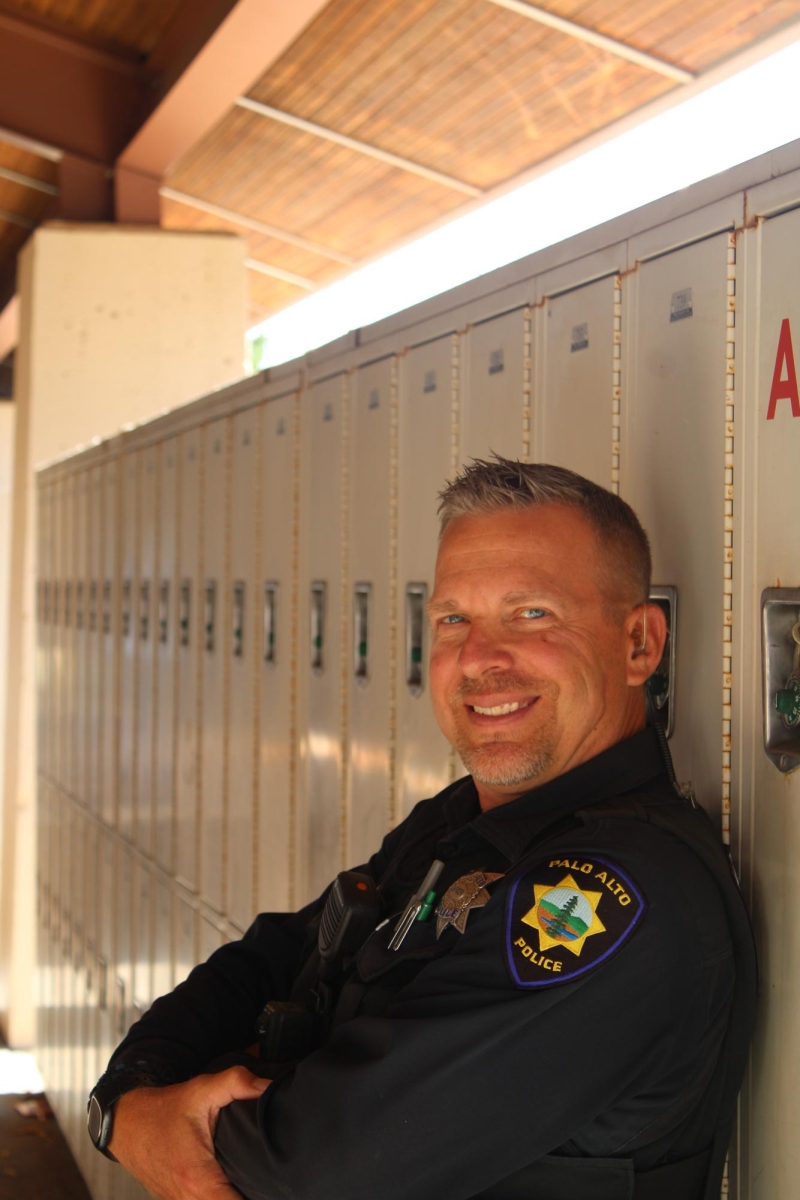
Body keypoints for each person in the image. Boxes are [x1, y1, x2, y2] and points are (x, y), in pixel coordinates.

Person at [87, 458, 757, 1200]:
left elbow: (318, 1166)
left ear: (641, 645)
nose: (479, 658)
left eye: (531, 613)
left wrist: (152, 1124)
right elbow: (278, 957)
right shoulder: (466, 820)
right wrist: (129, 1098)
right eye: (452, 619)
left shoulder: (616, 897)